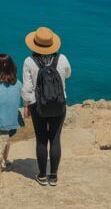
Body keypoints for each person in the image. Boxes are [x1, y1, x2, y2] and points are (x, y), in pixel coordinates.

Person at [21, 27, 71, 187]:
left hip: (38, 106)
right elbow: (68, 74)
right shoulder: (62, 58)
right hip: (59, 104)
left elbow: (27, 88)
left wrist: (26, 106)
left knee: (41, 139)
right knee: (55, 139)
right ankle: (54, 177)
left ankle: (42, 175)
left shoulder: (29, 61)